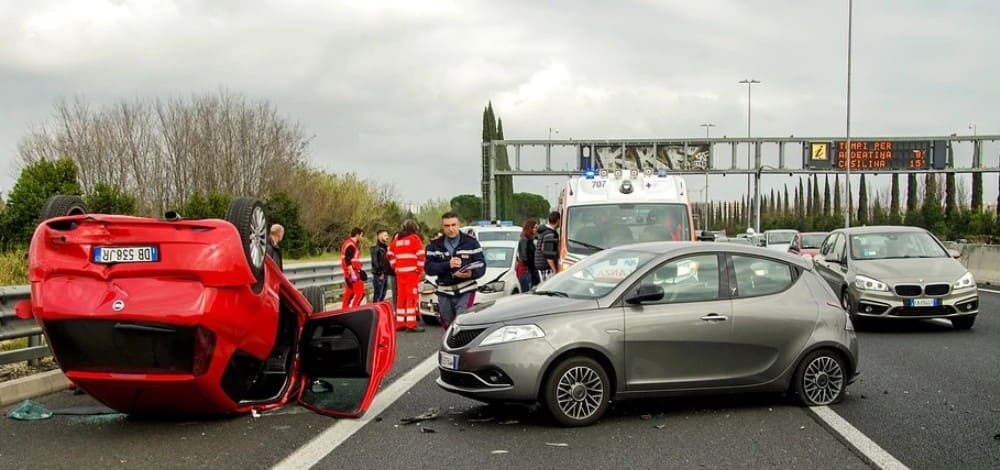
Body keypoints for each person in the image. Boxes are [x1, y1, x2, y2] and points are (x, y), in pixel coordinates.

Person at [425, 212, 486, 328]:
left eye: (454, 225)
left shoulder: (471, 243)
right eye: (447, 226)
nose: (451, 229)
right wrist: (448, 265)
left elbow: (482, 266)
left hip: (466, 289)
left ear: (459, 225)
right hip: (444, 291)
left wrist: (471, 273)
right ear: (442, 227)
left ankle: (463, 345)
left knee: (461, 322)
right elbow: (428, 268)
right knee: (448, 324)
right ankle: (450, 344)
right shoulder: (434, 245)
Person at [387, 219, 425, 332]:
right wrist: (419, 269)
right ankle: (411, 324)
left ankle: (399, 323)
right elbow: (421, 255)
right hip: (411, 274)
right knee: (411, 299)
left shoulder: (397, 239)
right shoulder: (414, 238)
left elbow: (389, 253)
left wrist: (395, 266)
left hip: (400, 274)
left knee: (401, 298)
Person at [340, 227, 366, 309]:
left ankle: (344, 309)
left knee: (349, 292)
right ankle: (355, 309)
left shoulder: (348, 243)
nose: (362, 237)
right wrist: (353, 273)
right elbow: (348, 259)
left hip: (348, 273)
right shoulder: (351, 245)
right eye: (361, 235)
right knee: (360, 292)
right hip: (352, 273)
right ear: (357, 235)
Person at [534, 211, 561, 281]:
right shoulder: (550, 234)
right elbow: (548, 254)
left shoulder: (544, 232)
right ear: (558, 221)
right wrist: (555, 271)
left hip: (541, 267)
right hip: (546, 269)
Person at [516, 218, 538, 292]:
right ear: (530, 228)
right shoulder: (524, 240)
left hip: (529, 270)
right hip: (525, 270)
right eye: (535, 227)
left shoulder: (529, 240)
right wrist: (532, 266)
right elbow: (525, 257)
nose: (536, 230)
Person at [370, 229, 391, 303]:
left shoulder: (385, 248)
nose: (387, 237)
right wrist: (379, 273)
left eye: (387, 235)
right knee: (378, 295)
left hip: (385, 274)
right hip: (379, 275)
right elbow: (375, 262)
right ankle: (375, 312)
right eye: (385, 235)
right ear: (379, 236)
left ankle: (379, 312)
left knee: (383, 294)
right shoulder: (375, 249)